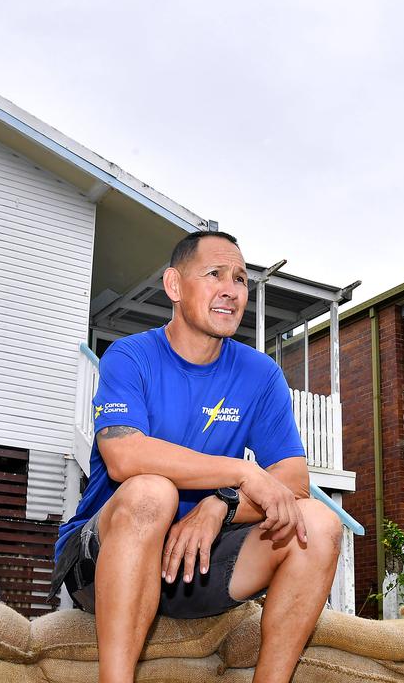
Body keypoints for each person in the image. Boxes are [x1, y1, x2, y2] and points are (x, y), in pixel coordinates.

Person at [50, 230, 342, 683]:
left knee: (320, 523)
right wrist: (242, 471)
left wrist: (220, 503)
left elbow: (293, 478)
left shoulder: (260, 373)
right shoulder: (130, 355)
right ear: (174, 286)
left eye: (241, 279)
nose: (231, 289)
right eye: (215, 274)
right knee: (151, 492)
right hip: (105, 557)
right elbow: (124, 455)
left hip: (195, 564)